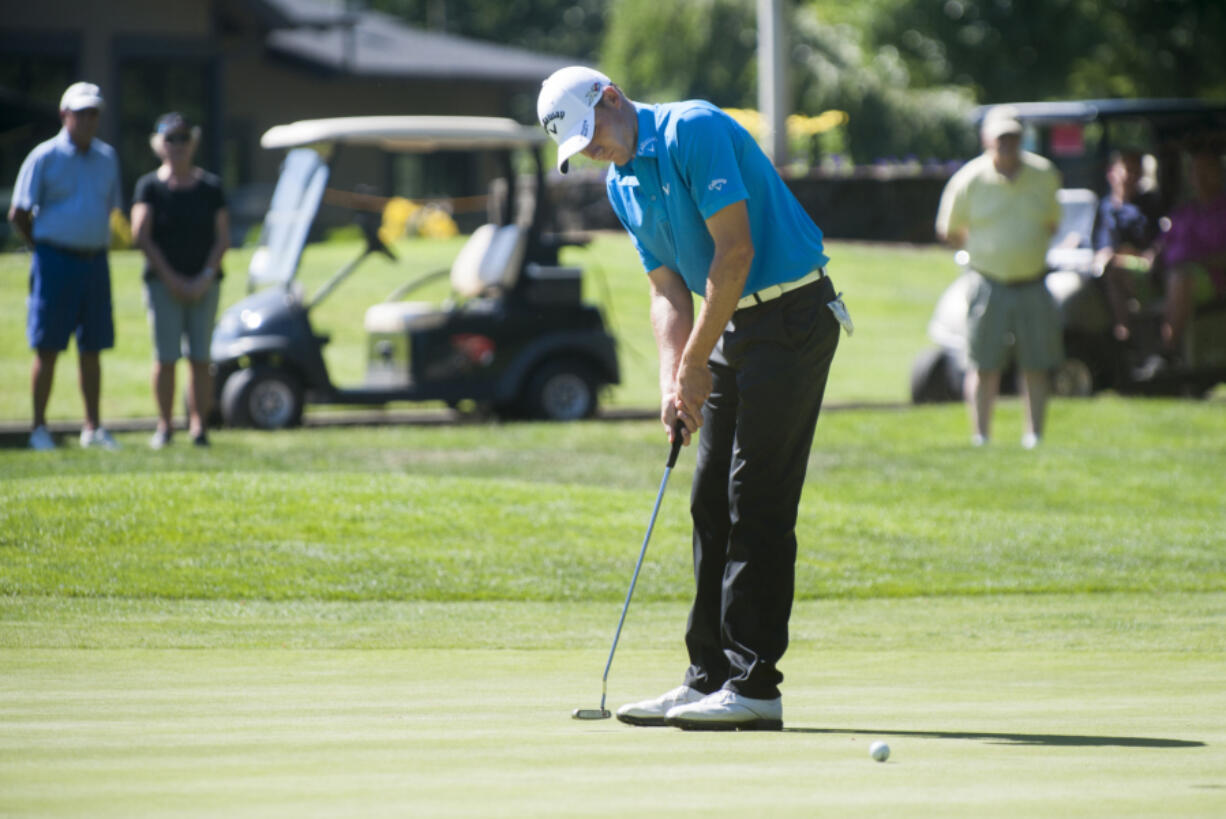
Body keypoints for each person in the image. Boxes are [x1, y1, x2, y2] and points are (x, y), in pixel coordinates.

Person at [538, 67, 846, 730]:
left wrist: (698, 359)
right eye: (580, 149)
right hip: (729, 326)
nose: (593, 152)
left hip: (791, 316)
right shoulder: (622, 183)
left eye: (592, 134)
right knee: (708, 497)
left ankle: (755, 682)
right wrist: (672, 379)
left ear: (611, 99)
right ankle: (707, 675)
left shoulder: (692, 128)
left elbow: (735, 254)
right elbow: (666, 291)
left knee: (755, 498)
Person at [935, 105, 1063, 449]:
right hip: (987, 281)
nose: (1007, 144)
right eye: (1001, 138)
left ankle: (1034, 435)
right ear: (987, 140)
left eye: (1013, 138)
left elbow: (1052, 224)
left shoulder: (1044, 174)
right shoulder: (969, 178)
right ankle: (981, 436)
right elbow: (949, 229)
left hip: (1032, 280)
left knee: (1035, 363)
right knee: (983, 363)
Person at [8, 81, 123, 451]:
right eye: (81, 113)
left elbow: (111, 209)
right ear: (65, 115)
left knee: (93, 347)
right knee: (48, 345)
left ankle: (93, 427)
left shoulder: (107, 158)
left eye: (94, 113)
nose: (89, 120)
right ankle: (39, 427)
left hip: (94, 262)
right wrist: (42, 246)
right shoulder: (44, 157)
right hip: (54, 261)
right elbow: (20, 212)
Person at [131, 113, 229, 448]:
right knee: (166, 357)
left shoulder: (211, 187)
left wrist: (204, 277)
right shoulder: (149, 187)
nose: (178, 145)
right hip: (163, 285)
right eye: (171, 138)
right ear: (159, 144)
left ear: (193, 142)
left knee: (201, 358)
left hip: (205, 284)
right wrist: (171, 278)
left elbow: (222, 239)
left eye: (183, 138)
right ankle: (164, 426)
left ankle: (199, 427)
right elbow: (141, 236)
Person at [1157, 143, 1226, 357]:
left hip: (1213, 279)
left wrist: (1199, 262)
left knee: (1182, 277)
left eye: (1207, 170)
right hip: (1169, 274)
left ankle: (1167, 351)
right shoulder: (1184, 211)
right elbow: (1161, 244)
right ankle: (1127, 346)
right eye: (1196, 171)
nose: (1201, 177)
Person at [1092, 150, 1164, 342]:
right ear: (1112, 173)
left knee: (1114, 270)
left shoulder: (1150, 205)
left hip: (1144, 270)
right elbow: (1101, 246)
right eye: (1126, 169)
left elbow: (1157, 243)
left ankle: (1124, 330)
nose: (1130, 176)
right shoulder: (1105, 207)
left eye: (1135, 171)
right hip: (1112, 266)